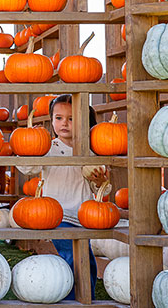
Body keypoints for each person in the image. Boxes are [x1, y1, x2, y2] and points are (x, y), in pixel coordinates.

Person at [16, 94, 110, 299]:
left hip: (84, 217)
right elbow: (28, 168)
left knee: (86, 260)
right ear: (51, 120)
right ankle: (71, 298)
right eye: (58, 118)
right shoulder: (47, 148)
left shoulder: (92, 152)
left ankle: (85, 297)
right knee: (72, 258)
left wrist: (100, 182)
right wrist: (26, 149)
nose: (64, 123)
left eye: (71, 118)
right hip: (56, 216)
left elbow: (101, 189)